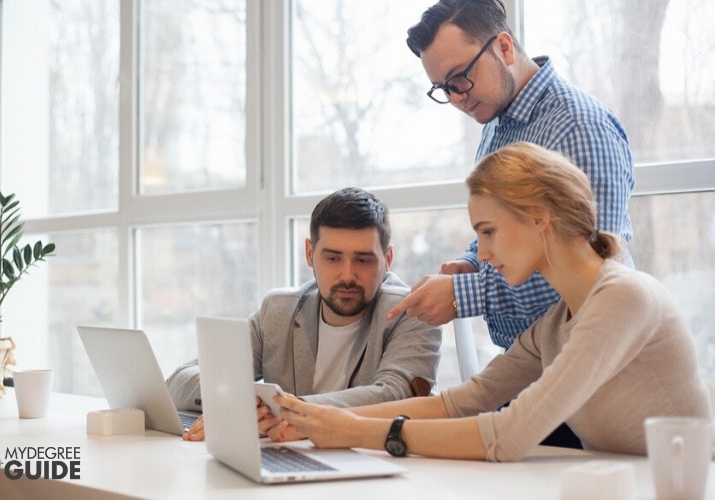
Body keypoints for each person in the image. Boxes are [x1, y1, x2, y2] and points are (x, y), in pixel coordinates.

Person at [271, 142, 711, 462]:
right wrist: (312, 416)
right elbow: (459, 403)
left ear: (540, 218)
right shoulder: (557, 324)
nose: (480, 254)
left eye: (487, 231)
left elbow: (510, 434)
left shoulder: (623, 298)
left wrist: (359, 431)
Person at [387, 0, 635, 352]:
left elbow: (595, 266)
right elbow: (511, 232)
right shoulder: (495, 124)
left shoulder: (578, 128)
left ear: (504, 47)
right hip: (532, 360)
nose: (456, 97)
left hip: (592, 357)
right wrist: (471, 263)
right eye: (442, 88)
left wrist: (464, 295)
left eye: (460, 77)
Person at [167, 187, 442, 442]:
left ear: (388, 259)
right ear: (310, 253)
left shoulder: (413, 312)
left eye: (363, 260)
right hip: (287, 461)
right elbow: (180, 379)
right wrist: (234, 401)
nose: (347, 275)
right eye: (332, 258)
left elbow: (395, 395)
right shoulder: (279, 311)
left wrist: (286, 411)